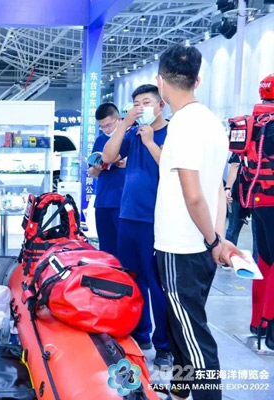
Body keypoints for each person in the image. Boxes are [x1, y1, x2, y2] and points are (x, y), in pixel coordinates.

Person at [154, 44, 239, 400]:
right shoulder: (211, 122)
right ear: (198, 80)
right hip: (199, 245)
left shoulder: (184, 125)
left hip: (182, 247)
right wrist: (217, 236)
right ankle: (179, 390)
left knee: (193, 337)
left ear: (160, 82)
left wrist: (213, 240)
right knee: (180, 325)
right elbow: (217, 187)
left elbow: (193, 195)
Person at [102, 85, 172, 369]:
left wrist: (150, 142)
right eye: (136, 104)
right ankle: (139, 334)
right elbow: (108, 157)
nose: (141, 108)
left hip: (155, 218)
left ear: (161, 105)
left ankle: (164, 345)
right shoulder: (132, 133)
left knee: (157, 284)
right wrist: (125, 125)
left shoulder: (171, 133)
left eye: (146, 102)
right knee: (132, 279)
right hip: (127, 215)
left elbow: (170, 167)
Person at [231, 73, 274, 347]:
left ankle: (258, 321)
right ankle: (271, 329)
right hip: (272, 200)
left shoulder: (254, 121)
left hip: (256, 199)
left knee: (265, 261)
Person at [88, 103, 125, 256]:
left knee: (124, 248)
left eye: (109, 125)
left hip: (123, 201)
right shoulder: (100, 140)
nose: (106, 130)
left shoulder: (130, 137)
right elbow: (92, 172)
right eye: (102, 127)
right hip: (103, 200)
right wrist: (97, 168)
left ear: (119, 120)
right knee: (106, 249)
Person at [224, 154, 257, 262]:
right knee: (258, 232)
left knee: (233, 227)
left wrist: (228, 188)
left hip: (240, 190)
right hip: (259, 191)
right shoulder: (264, 146)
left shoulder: (242, 146)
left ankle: (227, 258)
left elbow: (235, 165)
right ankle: (258, 262)